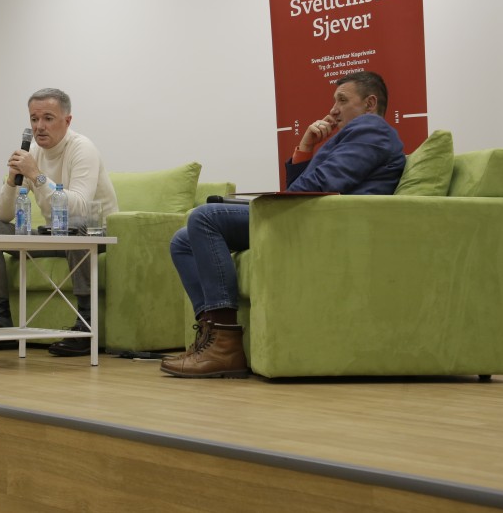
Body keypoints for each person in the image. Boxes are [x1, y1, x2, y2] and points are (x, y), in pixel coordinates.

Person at [161, 71, 406, 379]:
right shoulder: (355, 135)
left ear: (370, 103)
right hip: (310, 215)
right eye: (334, 101)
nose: (333, 110)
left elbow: (321, 184)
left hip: (326, 223)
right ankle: (210, 338)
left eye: (342, 100)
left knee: (205, 217)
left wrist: (279, 197)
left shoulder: (372, 129)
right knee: (183, 241)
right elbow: (304, 188)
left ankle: (225, 346)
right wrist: (305, 146)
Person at [0, 88, 119, 357]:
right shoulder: (32, 152)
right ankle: (1, 323)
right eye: (34, 119)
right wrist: (12, 180)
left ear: (67, 121)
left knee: (77, 228)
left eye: (48, 118)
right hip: (55, 236)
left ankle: (86, 324)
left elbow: (80, 209)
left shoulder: (82, 149)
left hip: (95, 234)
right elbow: (0, 215)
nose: (39, 127)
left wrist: (37, 175)